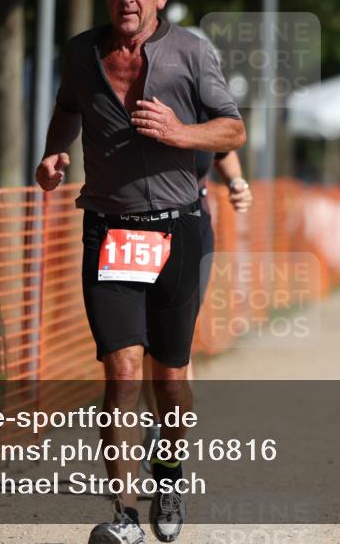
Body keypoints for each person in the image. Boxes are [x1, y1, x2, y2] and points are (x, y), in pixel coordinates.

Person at [35, 0, 245, 543]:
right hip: (109, 229)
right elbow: (67, 108)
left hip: (178, 228)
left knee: (169, 381)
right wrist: (54, 154)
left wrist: (181, 132)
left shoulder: (191, 53)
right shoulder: (80, 54)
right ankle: (125, 516)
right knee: (121, 374)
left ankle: (170, 475)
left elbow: (233, 127)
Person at [140, 149, 251, 471]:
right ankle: (159, 425)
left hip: (192, 229)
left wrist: (237, 182)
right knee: (145, 343)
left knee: (175, 340)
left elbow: (224, 146)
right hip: (135, 226)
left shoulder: (202, 103)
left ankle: (170, 442)